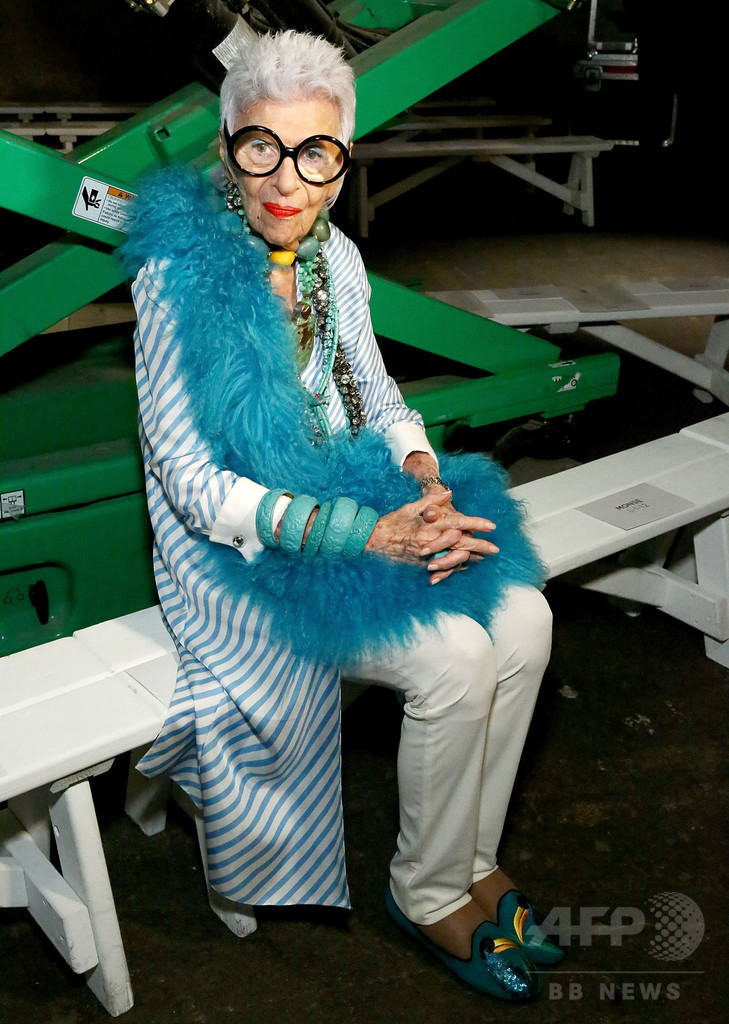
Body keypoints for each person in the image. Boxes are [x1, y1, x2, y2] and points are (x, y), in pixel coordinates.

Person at [122, 29, 559, 1001]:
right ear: (228, 145)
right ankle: (425, 889)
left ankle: (472, 857)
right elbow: (190, 484)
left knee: (527, 620)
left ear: (342, 160)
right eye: (262, 147)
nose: (288, 180)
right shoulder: (177, 276)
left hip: (347, 496)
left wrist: (420, 472)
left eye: (315, 152)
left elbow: (381, 395)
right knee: (455, 658)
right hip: (234, 551)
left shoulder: (336, 258)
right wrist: (367, 532)